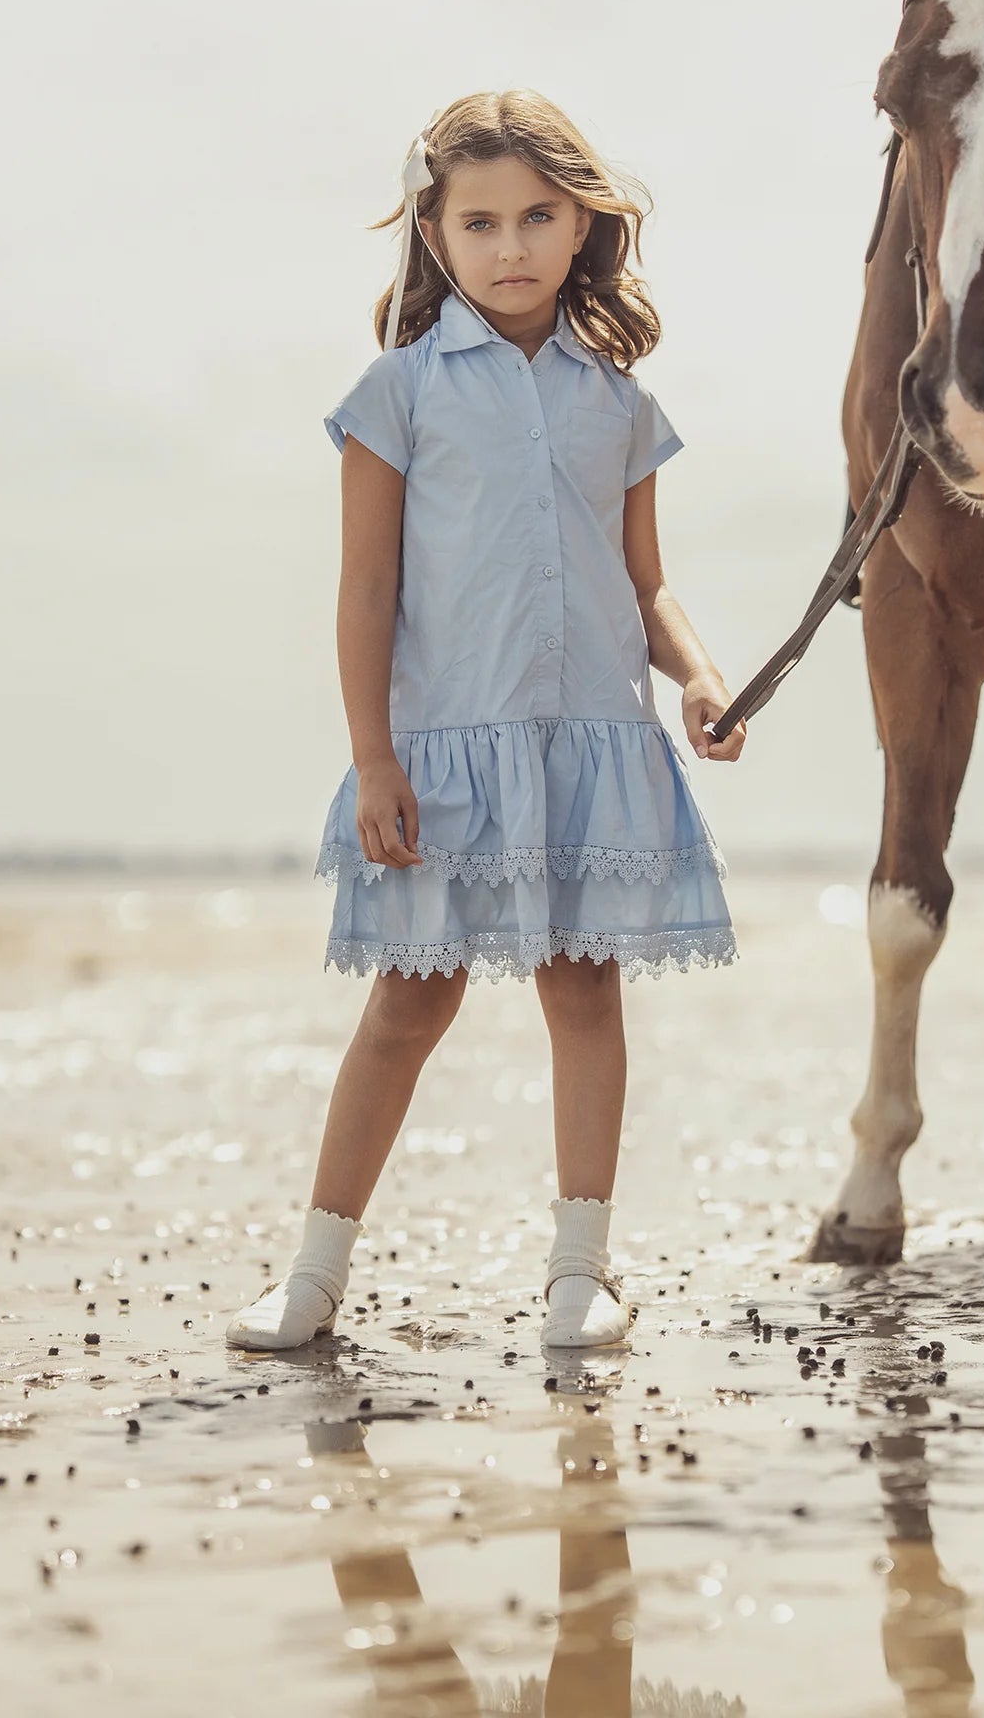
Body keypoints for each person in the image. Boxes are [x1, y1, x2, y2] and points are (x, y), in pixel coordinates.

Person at [227, 90, 745, 1355]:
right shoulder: (397, 391)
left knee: (584, 993)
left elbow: (645, 583)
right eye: (479, 222)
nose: (509, 245)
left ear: (582, 226)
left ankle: (581, 1271)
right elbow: (366, 590)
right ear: (434, 233)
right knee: (407, 1009)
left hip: (588, 746)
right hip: (444, 756)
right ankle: (313, 1273)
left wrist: (698, 674)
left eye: (536, 217)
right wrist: (371, 757)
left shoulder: (616, 401)